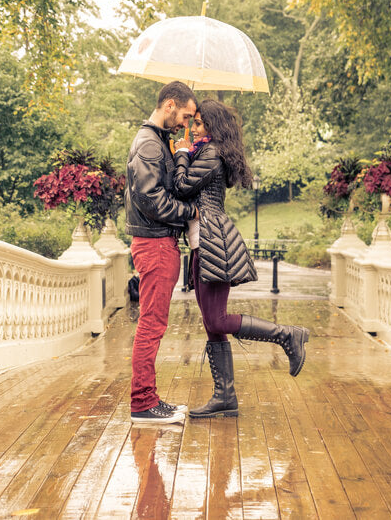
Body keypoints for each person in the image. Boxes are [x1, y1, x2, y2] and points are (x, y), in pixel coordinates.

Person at [173, 99, 310, 419]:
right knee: (212, 325)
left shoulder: (211, 154)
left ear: (214, 126)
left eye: (201, 123)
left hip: (212, 242)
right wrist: (182, 152)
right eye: (194, 122)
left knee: (217, 320)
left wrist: (180, 152)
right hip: (202, 242)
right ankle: (225, 396)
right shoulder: (204, 152)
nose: (195, 128)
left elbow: (181, 187)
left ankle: (287, 335)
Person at [125, 80, 198, 424]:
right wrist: (190, 214)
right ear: (170, 105)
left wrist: (181, 151)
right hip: (154, 243)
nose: (186, 123)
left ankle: (149, 398)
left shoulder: (159, 142)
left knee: (154, 322)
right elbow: (151, 199)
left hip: (158, 241)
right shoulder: (149, 144)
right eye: (185, 115)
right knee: (151, 324)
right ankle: (142, 403)